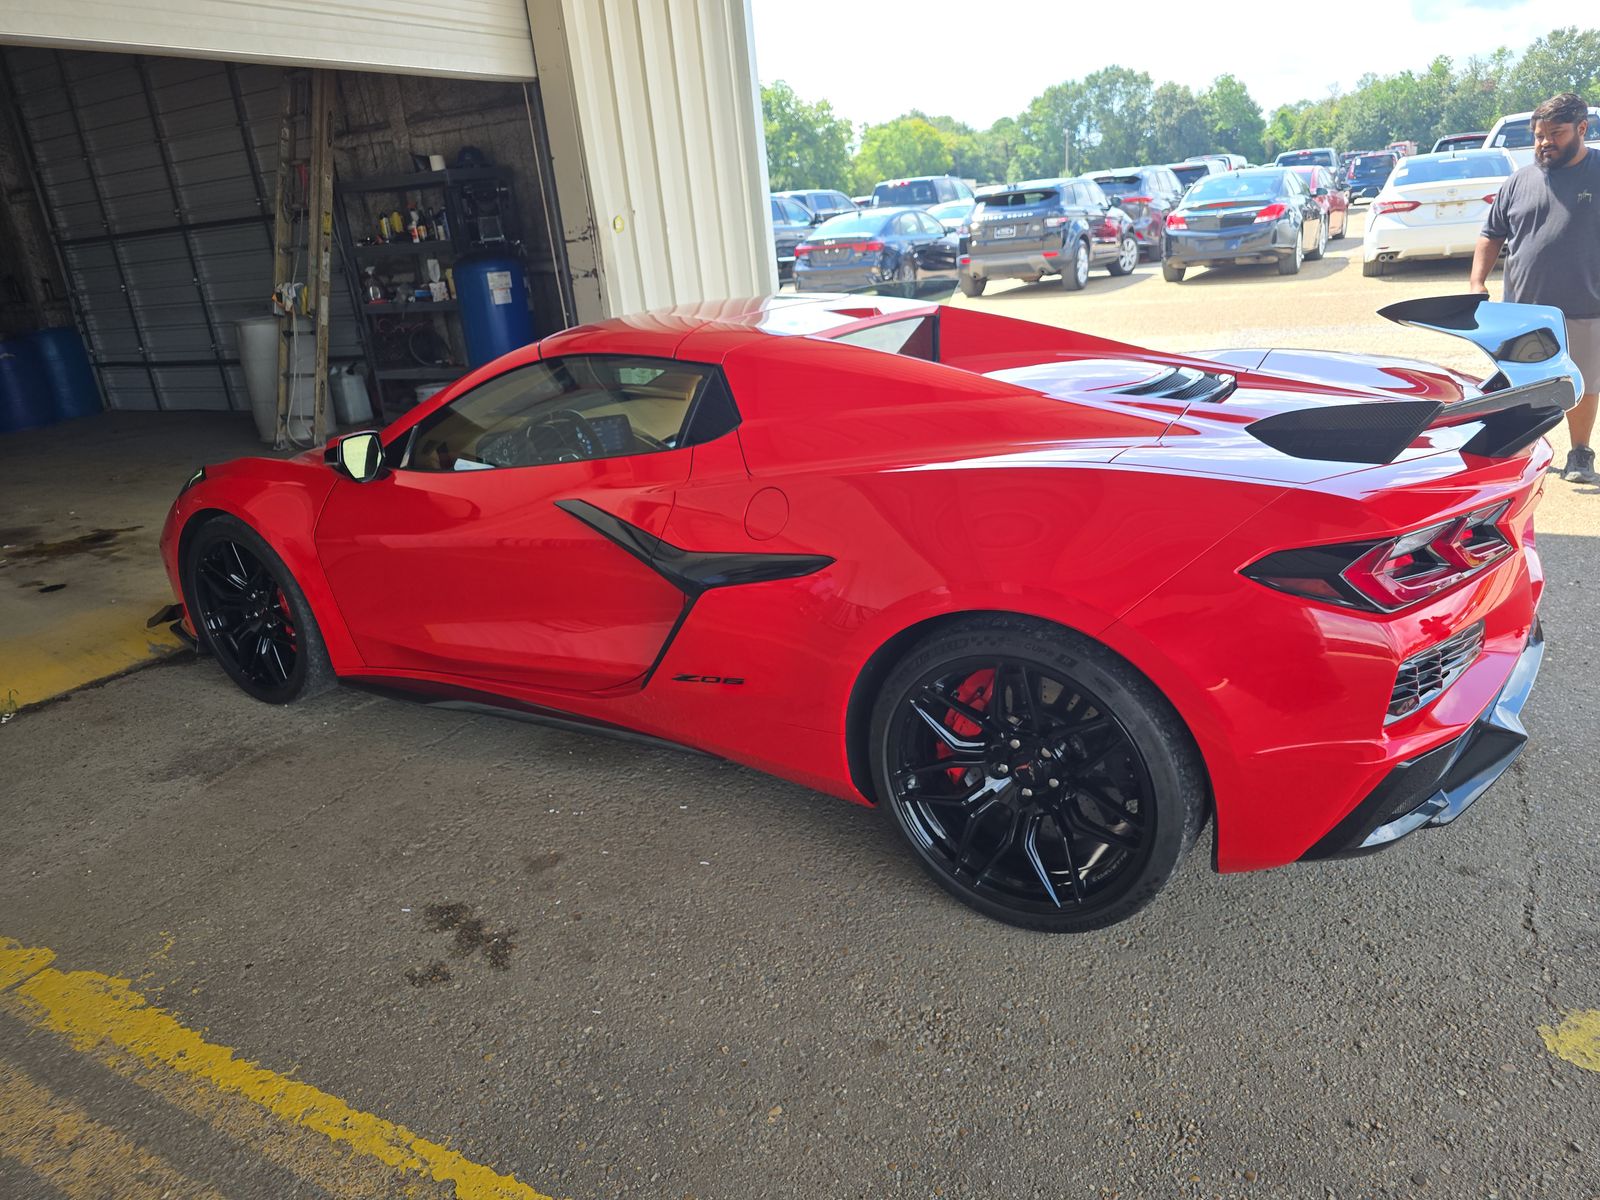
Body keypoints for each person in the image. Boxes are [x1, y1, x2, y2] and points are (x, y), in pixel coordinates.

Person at [1470, 91, 1600, 485]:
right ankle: (1526, 454)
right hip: (1523, 309)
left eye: (1555, 133)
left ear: (1582, 129)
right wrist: (1477, 281)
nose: (1544, 143)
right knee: (1523, 383)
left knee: (1584, 381)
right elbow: (1491, 234)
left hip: (1585, 302)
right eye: (1539, 135)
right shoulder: (1519, 181)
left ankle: (1580, 452)